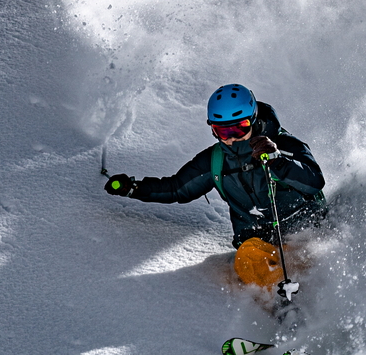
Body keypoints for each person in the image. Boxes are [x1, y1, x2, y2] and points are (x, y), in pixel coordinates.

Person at [104, 83, 327, 289]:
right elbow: (177, 188)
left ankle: (313, 303)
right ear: (213, 130)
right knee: (248, 257)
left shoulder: (284, 145)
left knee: (311, 261)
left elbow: (314, 182)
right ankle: (281, 309)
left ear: (254, 118)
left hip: (307, 234)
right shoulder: (215, 161)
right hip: (260, 245)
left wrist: (278, 161)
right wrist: (133, 188)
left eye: (239, 129)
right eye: (223, 132)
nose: (232, 139)